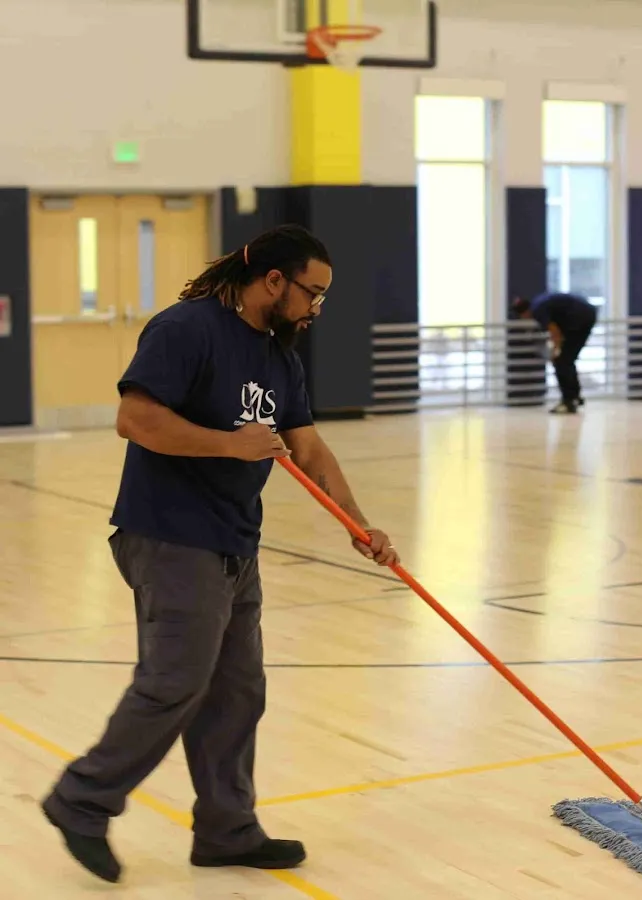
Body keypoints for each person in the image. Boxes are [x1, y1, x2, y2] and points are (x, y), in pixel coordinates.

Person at [40, 225, 398, 884]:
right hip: (170, 537)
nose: (317, 308)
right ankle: (81, 799)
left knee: (237, 692)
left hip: (235, 541)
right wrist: (231, 444)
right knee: (176, 681)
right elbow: (135, 419)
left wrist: (356, 522)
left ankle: (227, 831)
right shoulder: (186, 330)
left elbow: (307, 447)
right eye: (312, 293)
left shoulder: (278, 355)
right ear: (273, 280)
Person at [512, 292, 597, 414]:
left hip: (579, 319)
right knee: (567, 361)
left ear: (524, 313)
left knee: (561, 362)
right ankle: (574, 396)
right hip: (585, 315)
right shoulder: (538, 303)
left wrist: (555, 350)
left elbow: (554, 331)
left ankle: (569, 401)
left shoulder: (537, 311)